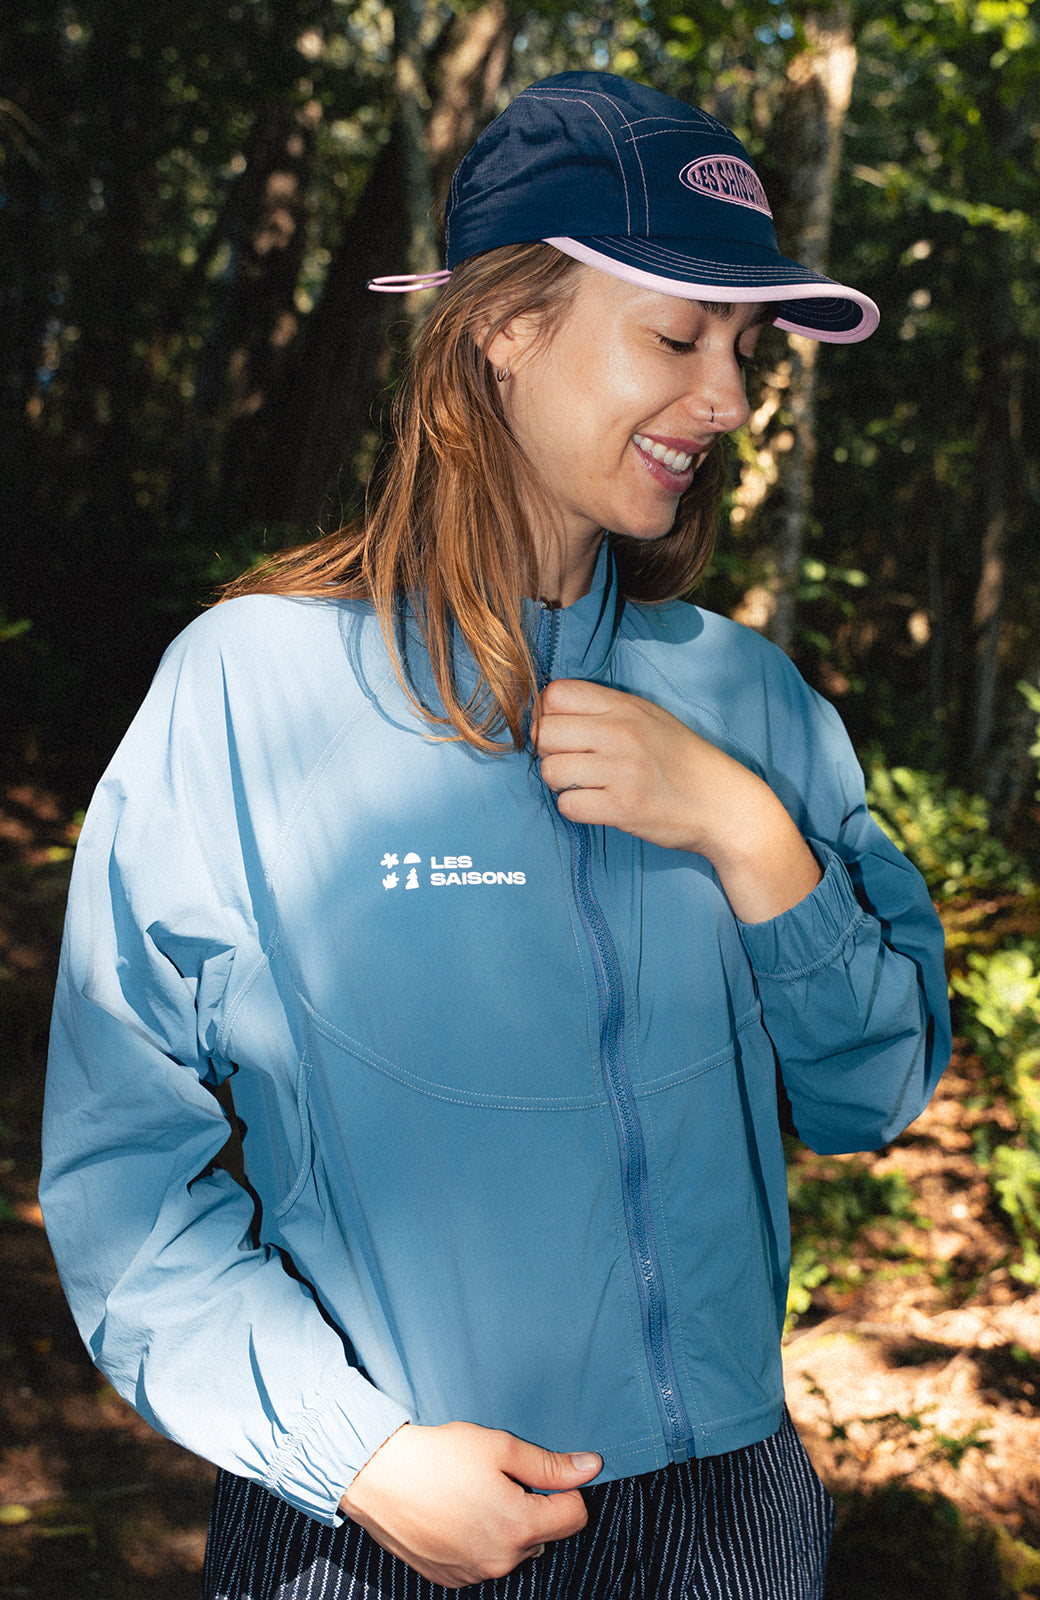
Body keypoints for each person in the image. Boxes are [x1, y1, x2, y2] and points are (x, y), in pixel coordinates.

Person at [41, 72, 949, 1600]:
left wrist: (750, 835)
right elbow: (126, 1177)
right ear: (499, 330)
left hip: (733, 1522)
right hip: (385, 1530)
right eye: (677, 334)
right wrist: (360, 1455)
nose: (727, 399)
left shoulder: (753, 702)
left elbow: (871, 1091)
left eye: (746, 348)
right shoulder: (251, 688)